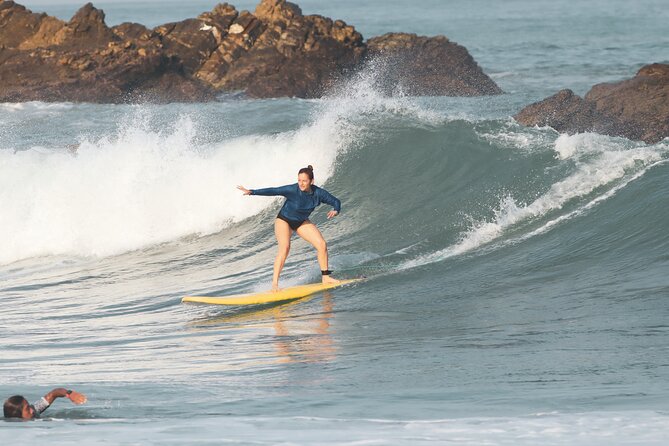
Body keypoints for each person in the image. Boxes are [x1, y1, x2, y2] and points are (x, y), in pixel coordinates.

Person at [238, 165, 341, 291]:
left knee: (322, 244)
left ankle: (325, 278)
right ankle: (275, 285)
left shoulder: (319, 193)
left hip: (301, 222)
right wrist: (252, 192)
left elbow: (336, 201)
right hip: (284, 220)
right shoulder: (292, 189)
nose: (301, 184)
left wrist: (336, 210)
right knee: (285, 247)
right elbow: (274, 190)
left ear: (311, 181)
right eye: (299, 180)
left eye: (304, 181)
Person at [3, 388, 87, 420]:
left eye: (29, 406)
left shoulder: (35, 410)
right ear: (17, 417)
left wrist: (69, 394)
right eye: (27, 409)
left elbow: (54, 393)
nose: (32, 410)